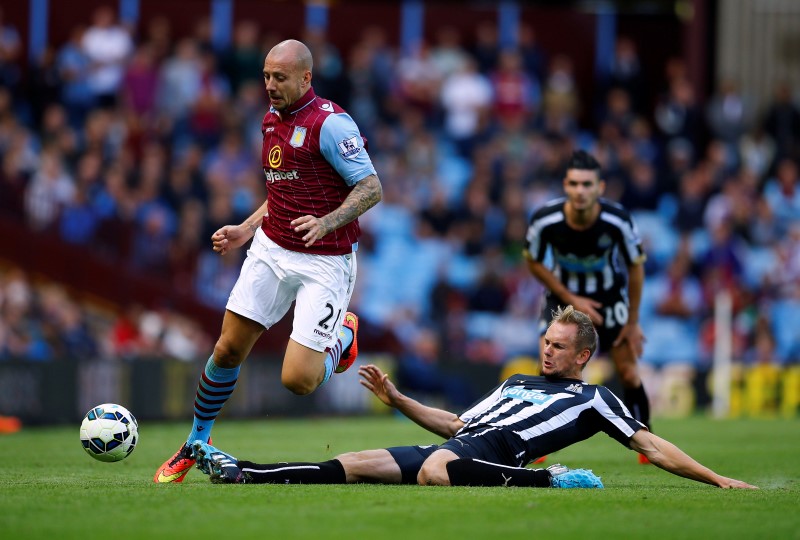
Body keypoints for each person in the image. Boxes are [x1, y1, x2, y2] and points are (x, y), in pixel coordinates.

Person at [190, 306, 756, 490]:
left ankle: (551, 480)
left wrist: (720, 479)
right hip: (464, 444)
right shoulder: (514, 382)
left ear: (583, 356)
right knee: (356, 463)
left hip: (496, 457)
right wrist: (399, 399)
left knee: (438, 469)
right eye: (546, 342)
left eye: (560, 346)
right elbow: (458, 422)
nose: (549, 351)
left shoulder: (594, 398)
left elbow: (651, 445)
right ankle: (246, 473)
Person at [154, 39, 383, 483]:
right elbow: (280, 191)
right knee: (227, 348)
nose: (270, 85)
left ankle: (343, 339)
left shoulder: (332, 124)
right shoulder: (270, 119)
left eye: (280, 77)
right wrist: (245, 229)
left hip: (326, 259)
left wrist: (326, 221)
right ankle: (197, 441)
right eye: (266, 76)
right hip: (272, 250)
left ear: (305, 78)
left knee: (297, 380)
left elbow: (372, 187)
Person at [524, 150, 652, 461]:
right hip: (561, 297)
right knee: (548, 367)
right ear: (565, 186)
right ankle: (532, 440)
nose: (580, 191)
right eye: (574, 184)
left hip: (608, 299)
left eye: (587, 184)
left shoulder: (617, 221)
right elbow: (533, 261)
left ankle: (648, 442)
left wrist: (633, 322)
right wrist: (571, 298)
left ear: (600, 187)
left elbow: (636, 267)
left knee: (627, 371)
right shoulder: (545, 220)